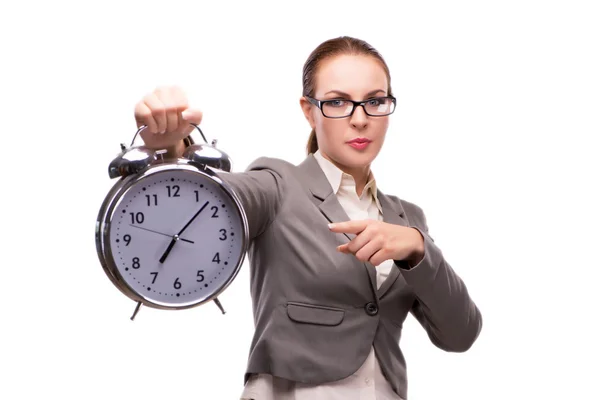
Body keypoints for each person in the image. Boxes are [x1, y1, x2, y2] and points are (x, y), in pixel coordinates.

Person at [134, 36, 482, 400]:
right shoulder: (277, 185)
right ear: (308, 110)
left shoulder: (406, 217)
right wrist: (169, 150)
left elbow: (461, 334)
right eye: (337, 102)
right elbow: (205, 206)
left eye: (375, 102)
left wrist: (417, 247)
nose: (360, 119)